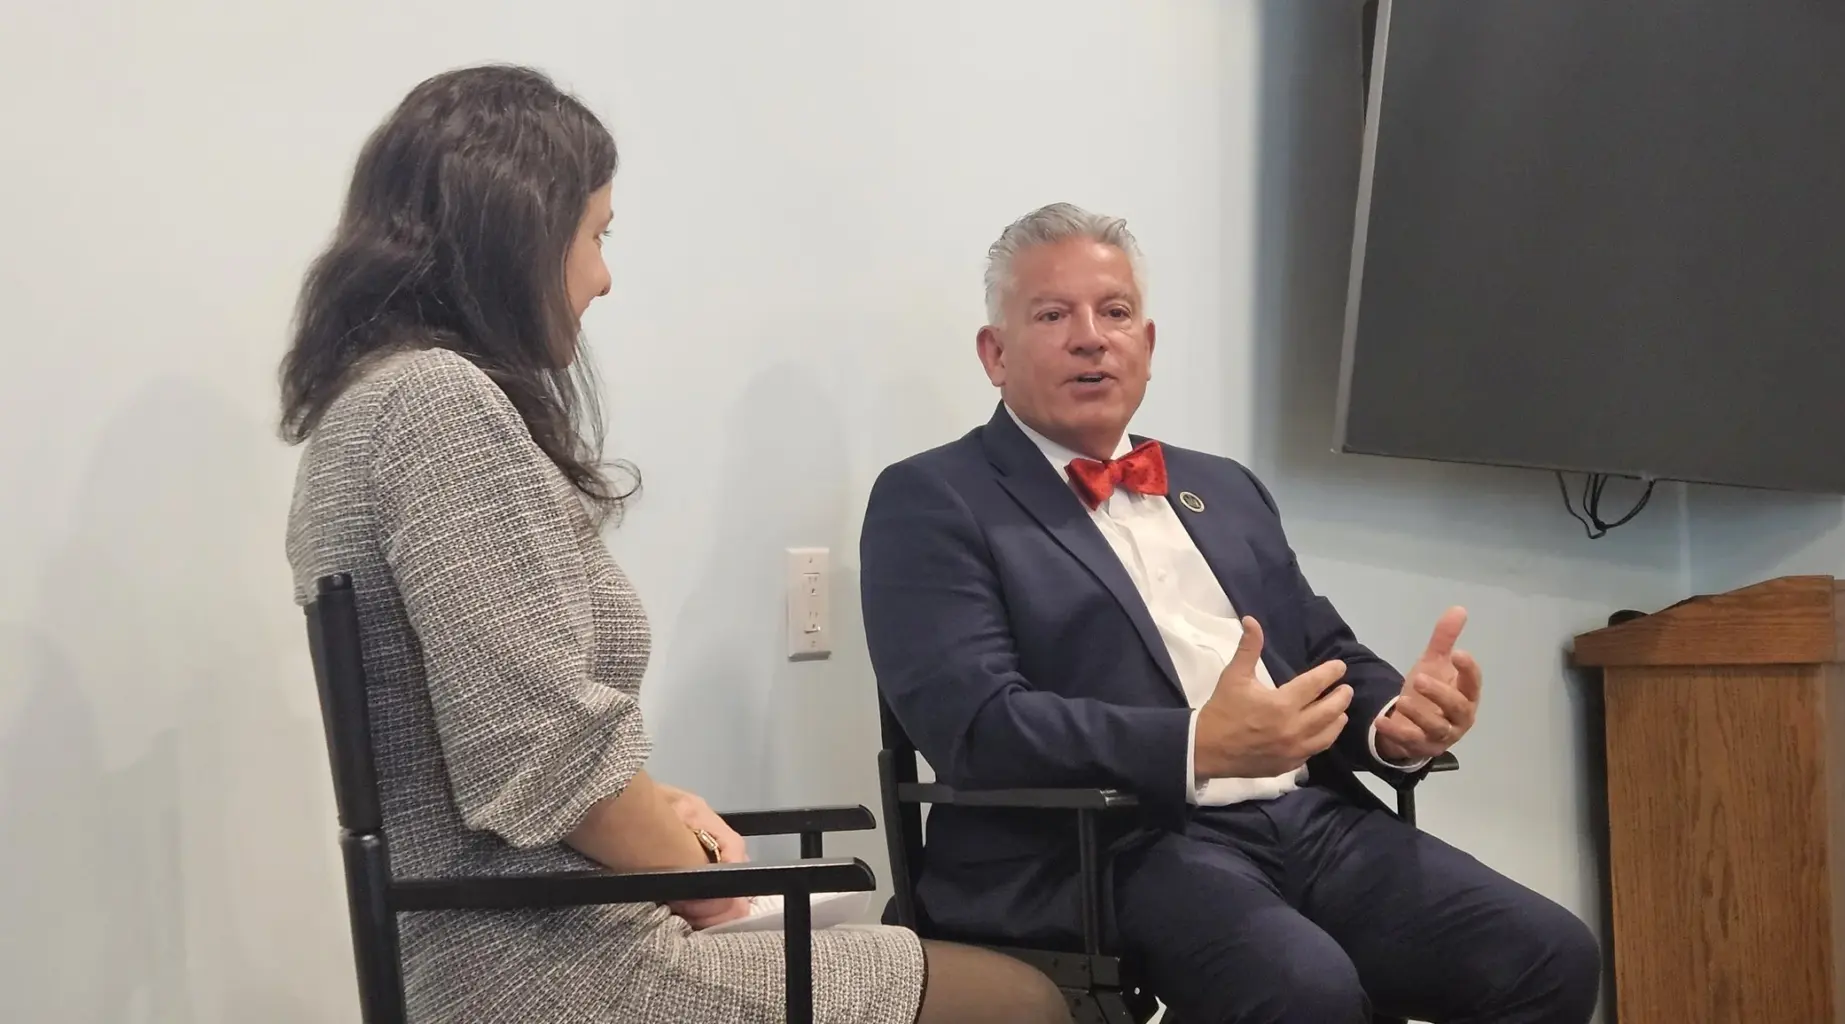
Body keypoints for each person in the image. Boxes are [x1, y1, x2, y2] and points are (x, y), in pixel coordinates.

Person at [278, 65, 1069, 1024]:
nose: (603, 276)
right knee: (1023, 999)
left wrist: (661, 803)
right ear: (517, 231)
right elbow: (545, 757)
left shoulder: (368, 410)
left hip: (523, 934)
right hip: (542, 968)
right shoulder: (439, 408)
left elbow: (514, 729)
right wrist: (696, 878)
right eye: (595, 235)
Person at [859, 203, 1603, 1024]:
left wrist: (1395, 721)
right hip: (1111, 846)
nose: (1090, 336)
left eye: (1114, 312)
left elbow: (1319, 649)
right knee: (1304, 990)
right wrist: (1192, 744)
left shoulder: (1225, 489)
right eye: (1051, 314)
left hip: (1307, 820)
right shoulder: (933, 498)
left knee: (1548, 954)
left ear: (1147, 345)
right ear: (995, 355)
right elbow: (975, 726)